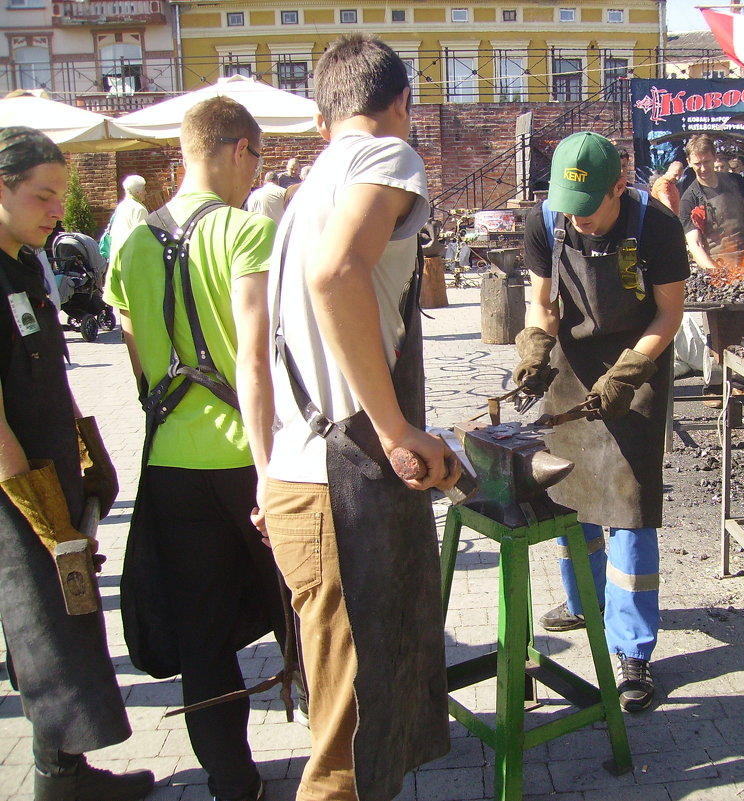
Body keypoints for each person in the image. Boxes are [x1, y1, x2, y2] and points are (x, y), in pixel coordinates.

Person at [265, 33, 459, 801]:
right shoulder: (387, 156)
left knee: (347, 715)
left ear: (322, 119)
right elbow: (337, 270)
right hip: (338, 484)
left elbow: (255, 350)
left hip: (295, 476)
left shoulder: (298, 196)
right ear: (401, 104)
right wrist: (395, 428)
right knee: (346, 747)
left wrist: (264, 469)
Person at [104, 97, 287, 801]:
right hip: (247, 460)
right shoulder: (245, 233)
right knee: (299, 616)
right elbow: (256, 363)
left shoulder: (131, 243)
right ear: (239, 148)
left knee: (203, 638)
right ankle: (341, 762)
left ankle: (233, 783)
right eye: (257, 158)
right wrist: (271, 472)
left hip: (170, 465)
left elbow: (139, 357)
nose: (256, 173)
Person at [0, 126, 155, 801]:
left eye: (61, 194)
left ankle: (65, 776)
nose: (57, 209)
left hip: (53, 481)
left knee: (62, 627)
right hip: (18, 498)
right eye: (42, 195)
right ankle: (57, 787)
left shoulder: (22, 264)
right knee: (44, 633)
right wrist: (41, 512)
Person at [516, 131, 687, 712]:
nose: (579, 220)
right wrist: (536, 345)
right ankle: (583, 600)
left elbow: (668, 313)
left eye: (590, 210)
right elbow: (543, 300)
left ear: (620, 187)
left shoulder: (658, 227)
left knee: (630, 506)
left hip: (637, 360)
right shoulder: (545, 221)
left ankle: (634, 649)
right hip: (569, 363)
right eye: (571, 208)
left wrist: (630, 371)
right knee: (568, 492)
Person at [678, 133, 744, 396]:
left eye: (707, 162)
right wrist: (714, 271)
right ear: (689, 162)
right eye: (697, 164)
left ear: (715, 158)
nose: (703, 168)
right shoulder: (690, 198)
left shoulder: (737, 183)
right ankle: (717, 386)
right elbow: (694, 244)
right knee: (719, 332)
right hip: (718, 269)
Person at [105, 174, 149, 261]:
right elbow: (140, 236)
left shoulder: (122, 206)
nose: (146, 193)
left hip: (116, 255)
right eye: (144, 190)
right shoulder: (139, 209)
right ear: (137, 192)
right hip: (131, 257)